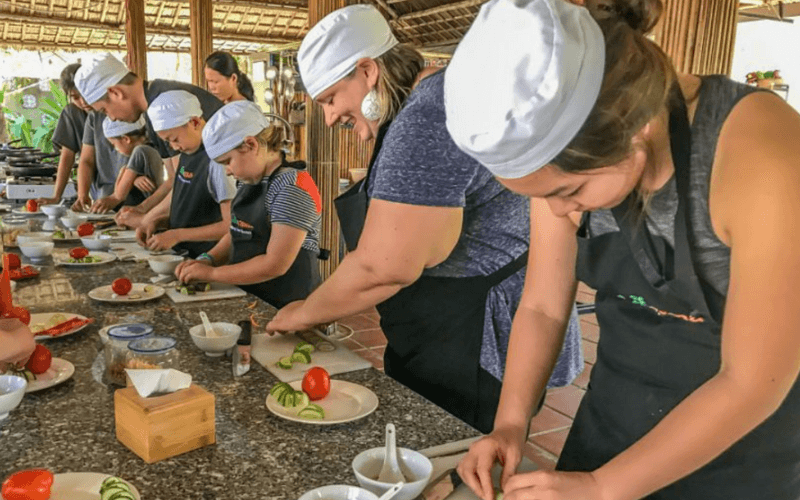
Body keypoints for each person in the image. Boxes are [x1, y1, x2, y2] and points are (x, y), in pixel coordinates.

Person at [445, 1, 800, 499]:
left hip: (737, 459)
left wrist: (601, 488)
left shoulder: (760, 151)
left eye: (568, 192)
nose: (556, 213)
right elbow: (544, 306)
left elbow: (753, 380)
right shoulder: (566, 168)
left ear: (635, 132)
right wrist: (509, 424)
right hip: (610, 431)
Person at [265, 4, 583, 434]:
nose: (328, 116)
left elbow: (384, 266)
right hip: (445, 324)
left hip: (471, 336)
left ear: (367, 71)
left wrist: (305, 312)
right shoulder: (423, 103)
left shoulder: (428, 115)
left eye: (330, 98)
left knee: (452, 461)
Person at [175, 101, 322, 307]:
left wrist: (213, 273)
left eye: (228, 161)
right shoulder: (251, 180)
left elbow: (275, 264)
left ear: (251, 144)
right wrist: (209, 258)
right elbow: (238, 230)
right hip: (253, 296)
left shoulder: (293, 187)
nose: (227, 171)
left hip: (288, 306)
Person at [74, 53, 223, 228]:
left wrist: (147, 218)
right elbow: (174, 179)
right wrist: (142, 210)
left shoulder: (167, 107)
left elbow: (185, 182)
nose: (112, 119)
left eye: (105, 110)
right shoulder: (152, 108)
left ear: (115, 92)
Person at [136, 90, 235, 258]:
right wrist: (158, 222)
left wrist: (177, 235)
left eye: (174, 139)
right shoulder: (188, 152)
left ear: (195, 122)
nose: (174, 147)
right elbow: (191, 212)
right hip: (182, 255)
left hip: (209, 258)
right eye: (168, 142)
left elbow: (230, 225)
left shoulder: (218, 161)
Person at [38, 63, 90, 206]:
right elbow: (67, 156)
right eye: (75, 97)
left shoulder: (108, 110)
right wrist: (56, 196)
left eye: (85, 94)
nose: (83, 102)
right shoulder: (71, 113)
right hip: (98, 188)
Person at [90, 116, 164, 213]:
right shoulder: (146, 150)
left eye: (114, 144)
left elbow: (118, 195)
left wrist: (114, 198)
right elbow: (123, 172)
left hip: (152, 210)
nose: (116, 149)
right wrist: (132, 179)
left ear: (126, 139)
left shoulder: (141, 151)